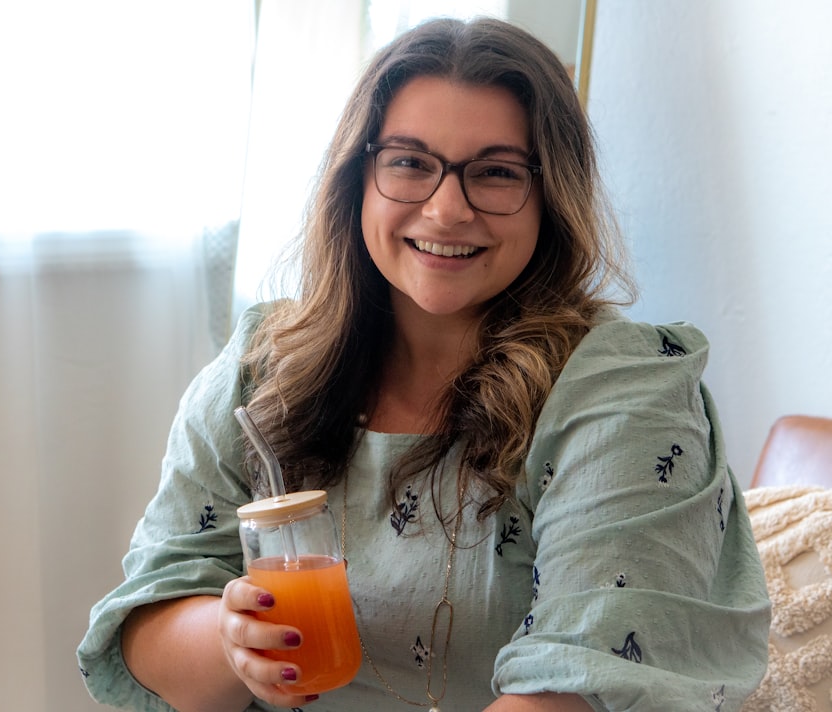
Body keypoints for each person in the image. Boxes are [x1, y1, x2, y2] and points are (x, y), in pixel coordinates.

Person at [78, 16, 770, 712]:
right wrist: (232, 642)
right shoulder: (263, 368)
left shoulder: (623, 389)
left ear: (550, 195)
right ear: (359, 180)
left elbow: (583, 683)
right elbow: (151, 615)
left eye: (495, 173)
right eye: (409, 162)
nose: (445, 210)